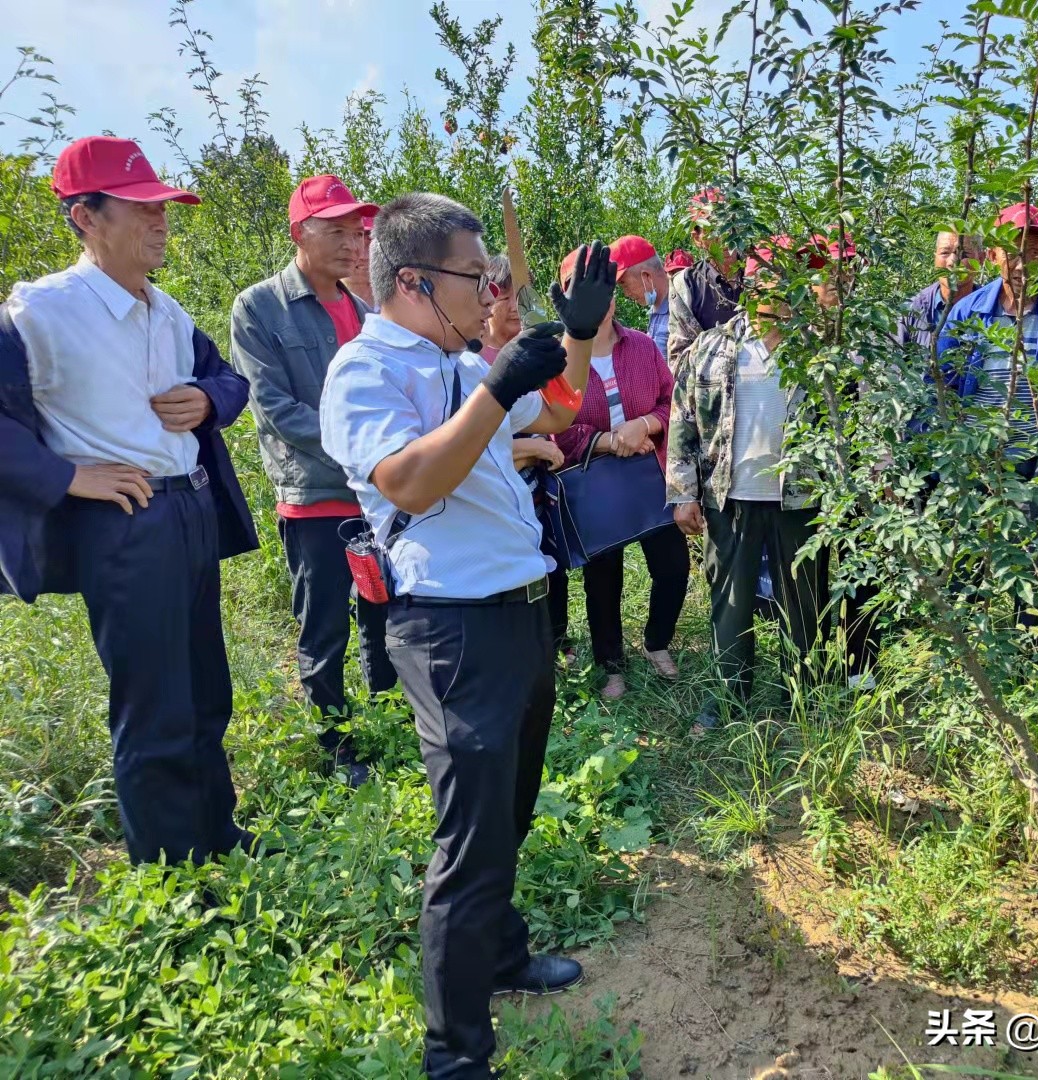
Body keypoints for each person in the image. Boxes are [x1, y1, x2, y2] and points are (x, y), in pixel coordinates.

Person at [319, 193, 615, 1080]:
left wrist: (580, 339)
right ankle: (455, 1055)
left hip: (520, 612)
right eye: (473, 276)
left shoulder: (459, 363)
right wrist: (494, 383)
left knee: (508, 816)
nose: (491, 290)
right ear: (413, 281)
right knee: (470, 843)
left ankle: (500, 955)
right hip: (450, 630)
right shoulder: (366, 370)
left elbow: (557, 416)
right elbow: (410, 483)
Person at [0, 136, 261, 867]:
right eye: (142, 208)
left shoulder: (166, 310)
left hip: (188, 511)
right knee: (154, 710)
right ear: (85, 217)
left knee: (206, 690)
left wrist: (207, 399)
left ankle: (218, 835)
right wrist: (64, 478)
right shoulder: (42, 311)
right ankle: (173, 874)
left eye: (164, 208)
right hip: (122, 523)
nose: (161, 222)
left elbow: (228, 379)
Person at [230, 174, 395, 788]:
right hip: (317, 496)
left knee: (382, 612)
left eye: (358, 232)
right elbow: (275, 408)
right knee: (323, 623)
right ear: (301, 232)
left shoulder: (364, 311)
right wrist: (366, 449)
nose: (354, 243)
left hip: (376, 494)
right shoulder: (260, 307)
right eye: (338, 231)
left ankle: (389, 717)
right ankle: (337, 744)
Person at [668, 236, 828, 735]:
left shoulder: (820, 349)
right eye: (762, 276)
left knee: (802, 603)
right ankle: (726, 700)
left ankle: (797, 703)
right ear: (748, 283)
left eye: (782, 275)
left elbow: (850, 421)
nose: (772, 286)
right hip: (728, 497)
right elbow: (683, 420)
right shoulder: (712, 349)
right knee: (729, 604)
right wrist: (683, 493)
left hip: (801, 499)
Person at [553, 245, 688, 700]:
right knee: (603, 577)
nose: (600, 298)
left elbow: (673, 405)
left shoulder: (644, 347)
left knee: (672, 566)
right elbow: (555, 428)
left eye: (605, 287)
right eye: (582, 288)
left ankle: (655, 642)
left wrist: (646, 425)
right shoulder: (559, 359)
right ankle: (611, 665)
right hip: (596, 481)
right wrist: (609, 439)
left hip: (648, 477)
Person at [936, 202, 1038, 452]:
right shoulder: (967, 312)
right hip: (977, 460)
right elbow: (942, 384)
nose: (1023, 265)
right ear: (992, 255)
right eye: (1011, 253)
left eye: (1034, 253)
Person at [483, 253, 573, 664]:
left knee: (550, 564)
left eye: (525, 296)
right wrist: (533, 447)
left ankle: (555, 644)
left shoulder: (535, 351)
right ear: (489, 299)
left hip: (538, 485)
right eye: (508, 298)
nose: (519, 307)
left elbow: (560, 407)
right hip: (497, 492)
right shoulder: (477, 362)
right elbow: (474, 444)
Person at [668, 186, 743, 367]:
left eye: (729, 223)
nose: (724, 237)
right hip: (713, 389)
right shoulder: (686, 284)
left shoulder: (759, 275)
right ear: (697, 238)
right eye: (713, 229)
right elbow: (679, 358)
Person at [900, 230, 983, 355]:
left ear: (981, 260)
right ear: (935, 258)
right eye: (944, 253)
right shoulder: (911, 309)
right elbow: (892, 368)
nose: (953, 261)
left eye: (964, 254)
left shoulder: (992, 308)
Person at [611, 234, 671, 357]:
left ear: (646, 276)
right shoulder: (655, 311)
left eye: (624, 284)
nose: (626, 293)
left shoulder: (682, 306)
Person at [342, 213, 376, 309]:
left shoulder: (400, 302)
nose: (363, 256)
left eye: (370, 244)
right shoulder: (321, 303)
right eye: (355, 242)